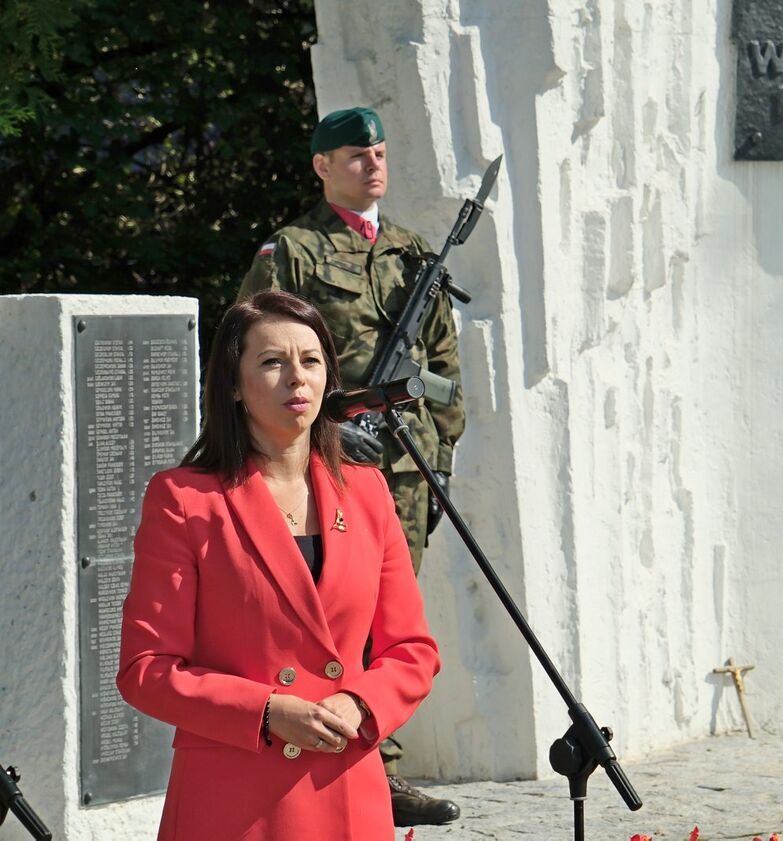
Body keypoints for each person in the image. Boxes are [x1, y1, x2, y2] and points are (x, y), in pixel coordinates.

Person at [116, 290, 441, 840]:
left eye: (311, 361)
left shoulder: (367, 492)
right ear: (234, 387)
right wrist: (265, 710)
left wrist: (360, 703)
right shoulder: (184, 499)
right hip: (235, 798)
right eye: (272, 362)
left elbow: (412, 651)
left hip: (345, 784)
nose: (297, 378)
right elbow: (146, 669)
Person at [237, 106, 464, 826]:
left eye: (379, 151)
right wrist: (329, 422)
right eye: (356, 154)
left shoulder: (410, 251)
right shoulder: (292, 252)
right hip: (321, 469)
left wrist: (441, 453)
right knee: (334, 624)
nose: (373, 163)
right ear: (322, 166)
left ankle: (376, 765)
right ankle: (349, 766)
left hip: (404, 467)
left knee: (391, 625)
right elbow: (254, 357)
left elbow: (443, 364)